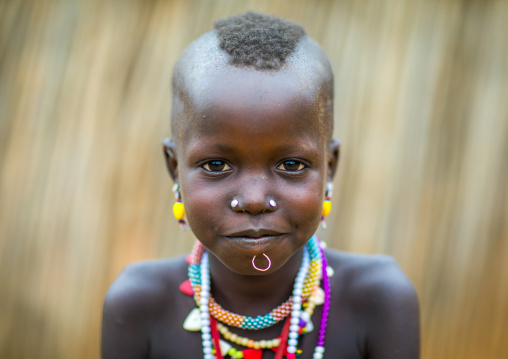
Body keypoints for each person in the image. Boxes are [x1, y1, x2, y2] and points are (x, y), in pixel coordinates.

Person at [101, 12, 420, 359]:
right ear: (174, 167)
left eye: (292, 165)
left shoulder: (379, 301)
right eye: (217, 165)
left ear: (329, 167)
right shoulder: (137, 305)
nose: (253, 200)